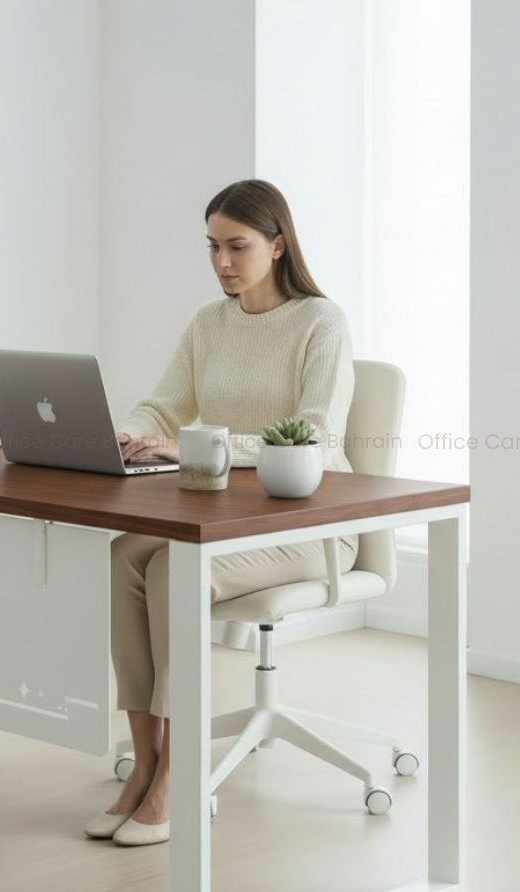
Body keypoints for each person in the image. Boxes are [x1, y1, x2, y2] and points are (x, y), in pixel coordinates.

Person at [85, 178, 359, 847]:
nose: (222, 262)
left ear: (278, 244)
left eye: (237, 246)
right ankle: (144, 759)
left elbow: (315, 439)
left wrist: (196, 447)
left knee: (177, 569)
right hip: (223, 515)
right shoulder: (210, 322)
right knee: (124, 553)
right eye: (212, 246)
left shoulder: (321, 322)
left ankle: (179, 775)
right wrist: (127, 433)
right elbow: (163, 405)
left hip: (310, 524)